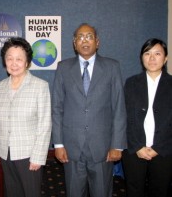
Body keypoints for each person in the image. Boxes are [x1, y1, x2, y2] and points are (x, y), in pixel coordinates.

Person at [52, 23, 127, 197]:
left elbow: (118, 108)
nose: (84, 40)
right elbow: (57, 108)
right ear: (74, 43)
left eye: (89, 36)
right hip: (71, 148)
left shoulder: (112, 67)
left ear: (97, 42)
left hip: (102, 148)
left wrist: (117, 145)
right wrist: (58, 143)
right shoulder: (63, 68)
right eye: (80, 37)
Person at [0, 37, 52, 197]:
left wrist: (38, 156)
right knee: (11, 193)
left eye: (19, 59)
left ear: (27, 62)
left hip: (29, 154)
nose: (14, 63)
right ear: (4, 61)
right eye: (9, 59)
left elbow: (45, 124)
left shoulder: (40, 86)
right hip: (5, 153)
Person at [122, 38, 172, 197]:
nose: (152, 58)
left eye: (157, 54)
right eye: (147, 53)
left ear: (165, 58)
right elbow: (124, 117)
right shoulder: (131, 83)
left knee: (160, 190)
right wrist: (137, 146)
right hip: (135, 150)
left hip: (164, 151)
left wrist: (158, 147)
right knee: (134, 190)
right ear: (141, 57)